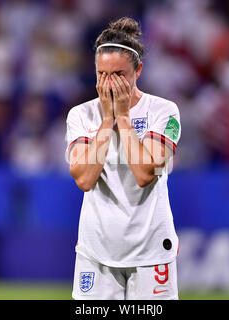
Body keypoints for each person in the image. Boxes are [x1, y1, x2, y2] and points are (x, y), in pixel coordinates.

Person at [65, 17, 181, 300]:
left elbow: (144, 174)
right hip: (96, 253)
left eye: (118, 74)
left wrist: (124, 118)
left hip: (151, 252)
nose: (109, 83)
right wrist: (107, 120)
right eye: (102, 74)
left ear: (137, 70)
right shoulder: (81, 115)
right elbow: (84, 178)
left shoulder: (163, 112)